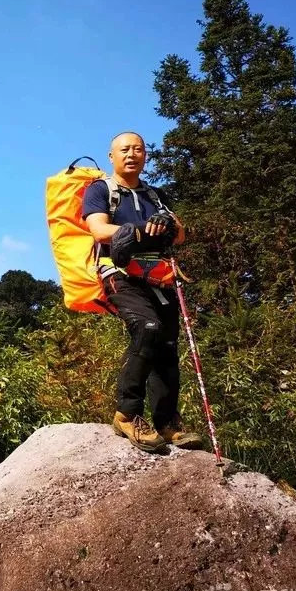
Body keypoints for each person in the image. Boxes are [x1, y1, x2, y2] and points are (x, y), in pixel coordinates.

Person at [83, 132, 204, 453]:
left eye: (138, 149)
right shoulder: (100, 190)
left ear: (145, 155)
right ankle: (127, 413)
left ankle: (166, 422)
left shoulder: (156, 195)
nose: (132, 154)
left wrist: (168, 224)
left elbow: (179, 237)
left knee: (166, 341)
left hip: (158, 276)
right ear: (112, 156)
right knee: (147, 328)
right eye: (125, 150)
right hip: (118, 272)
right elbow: (98, 229)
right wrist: (139, 230)